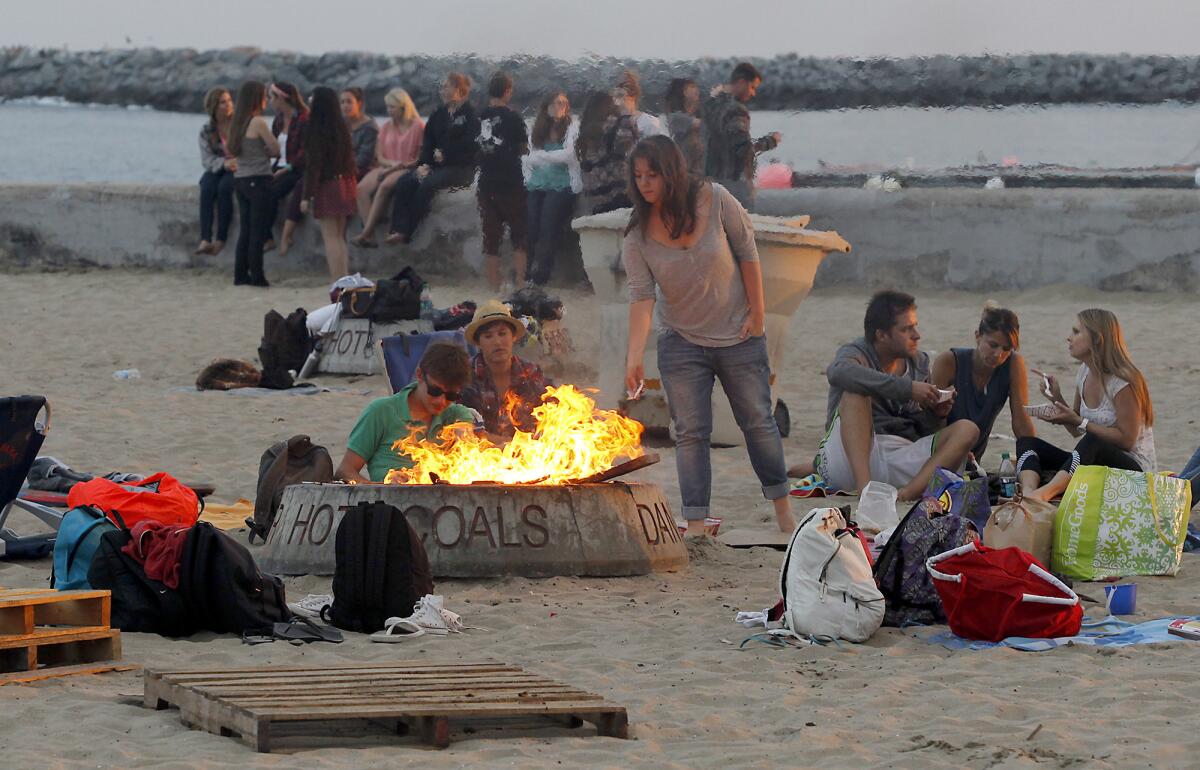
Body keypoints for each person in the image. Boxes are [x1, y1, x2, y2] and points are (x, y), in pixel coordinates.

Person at [622, 136, 794, 536]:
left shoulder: (714, 198)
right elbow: (641, 296)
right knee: (690, 434)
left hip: (739, 333)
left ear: (672, 172)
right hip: (681, 341)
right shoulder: (637, 235)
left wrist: (758, 315)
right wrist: (634, 357)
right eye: (638, 177)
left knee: (757, 421)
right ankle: (697, 524)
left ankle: (784, 511)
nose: (646, 184)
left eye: (653, 174)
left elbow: (748, 251)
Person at [811, 290, 979, 501]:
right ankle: (866, 493)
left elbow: (920, 432)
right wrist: (907, 388)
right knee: (855, 393)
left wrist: (935, 415)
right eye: (906, 329)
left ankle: (907, 494)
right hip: (851, 459)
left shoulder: (919, 363)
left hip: (899, 457)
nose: (916, 335)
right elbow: (839, 371)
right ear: (882, 335)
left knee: (967, 429)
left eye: (915, 326)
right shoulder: (857, 353)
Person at [1016, 309, 1157, 501]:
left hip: (1134, 474)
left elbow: (1127, 440)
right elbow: (1076, 429)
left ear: (1097, 339)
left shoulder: (1124, 381)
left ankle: (1044, 494)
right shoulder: (1084, 372)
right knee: (1027, 442)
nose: (1069, 338)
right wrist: (1056, 398)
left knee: (1093, 441)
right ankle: (1028, 494)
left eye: (1076, 332)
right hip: (1096, 461)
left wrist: (1080, 421)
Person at [336, 343, 481, 483]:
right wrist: (382, 487)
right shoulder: (381, 412)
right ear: (419, 375)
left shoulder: (456, 415)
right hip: (390, 502)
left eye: (451, 396)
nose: (441, 401)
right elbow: (345, 472)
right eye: (435, 391)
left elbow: (472, 453)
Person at [931, 303, 1036, 461]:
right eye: (993, 345)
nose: (998, 354)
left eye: (1006, 348)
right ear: (977, 336)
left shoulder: (1013, 363)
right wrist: (953, 450)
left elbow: (1022, 423)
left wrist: (1031, 457)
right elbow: (932, 423)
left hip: (974, 461)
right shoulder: (949, 362)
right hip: (939, 455)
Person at [386, 72, 479, 245]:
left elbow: (472, 146)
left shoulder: (472, 116)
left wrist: (448, 154)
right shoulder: (439, 114)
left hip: (461, 169)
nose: (442, 91)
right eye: (442, 87)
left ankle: (407, 230)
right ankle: (397, 229)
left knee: (428, 184)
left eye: (446, 87)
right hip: (437, 167)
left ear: (459, 90)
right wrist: (424, 164)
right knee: (405, 181)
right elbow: (428, 142)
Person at [459, 299, 552, 439]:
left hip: (529, 453)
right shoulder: (465, 375)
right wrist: (506, 445)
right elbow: (464, 428)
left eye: (502, 334)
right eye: (488, 336)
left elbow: (551, 411)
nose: (497, 342)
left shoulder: (530, 372)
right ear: (478, 342)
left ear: (513, 337)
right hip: (479, 454)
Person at [476, 71, 530, 290]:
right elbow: (524, 148)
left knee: (491, 238)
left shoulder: (478, 117)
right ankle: (519, 282)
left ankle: (494, 285)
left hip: (486, 183)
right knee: (519, 235)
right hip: (511, 183)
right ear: (507, 92)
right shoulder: (514, 118)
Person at [703, 61, 781, 211]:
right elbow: (743, 149)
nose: (753, 93)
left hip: (711, 180)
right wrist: (770, 141)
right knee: (742, 227)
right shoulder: (736, 111)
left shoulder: (710, 105)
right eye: (752, 87)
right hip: (734, 181)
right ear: (741, 82)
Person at [353, 88, 424, 247]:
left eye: (392, 107)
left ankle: (365, 233)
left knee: (384, 186)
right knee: (360, 189)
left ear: (403, 107)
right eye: (388, 107)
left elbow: (420, 157)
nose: (388, 111)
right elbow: (379, 156)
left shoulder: (418, 126)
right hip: (386, 166)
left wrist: (399, 166)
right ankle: (369, 233)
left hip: (406, 167)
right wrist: (391, 165)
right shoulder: (386, 126)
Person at [300, 87, 358, 280]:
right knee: (340, 237)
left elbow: (313, 166)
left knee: (330, 238)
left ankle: (337, 282)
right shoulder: (341, 127)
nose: (309, 99)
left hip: (329, 186)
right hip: (346, 183)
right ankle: (345, 279)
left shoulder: (315, 129)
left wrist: (306, 196)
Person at [524, 90, 581, 285]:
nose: (560, 107)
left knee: (548, 227)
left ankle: (541, 276)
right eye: (556, 103)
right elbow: (529, 157)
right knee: (531, 227)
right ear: (547, 106)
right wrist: (543, 157)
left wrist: (543, 156)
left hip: (562, 184)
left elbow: (569, 155)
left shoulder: (572, 127)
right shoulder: (537, 128)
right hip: (537, 183)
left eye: (563, 104)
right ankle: (526, 272)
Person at [226, 80, 280, 287]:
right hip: (259, 179)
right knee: (258, 231)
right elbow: (275, 150)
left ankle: (240, 275)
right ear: (257, 99)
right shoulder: (258, 122)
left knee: (245, 231)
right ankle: (257, 276)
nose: (267, 99)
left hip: (241, 180)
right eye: (264, 96)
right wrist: (265, 151)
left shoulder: (236, 123)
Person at [576, 91, 638, 215]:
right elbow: (627, 141)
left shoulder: (585, 129)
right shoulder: (615, 123)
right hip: (615, 189)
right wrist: (625, 111)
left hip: (592, 192)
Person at [267, 82, 309, 257]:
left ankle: (280, 237)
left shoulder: (304, 118)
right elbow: (272, 146)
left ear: (281, 98)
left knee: (271, 192)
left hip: (296, 169)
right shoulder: (278, 119)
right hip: (278, 166)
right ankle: (266, 237)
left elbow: (305, 151)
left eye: (271, 97)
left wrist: (286, 169)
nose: (269, 101)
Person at [196, 87, 236, 257]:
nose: (227, 105)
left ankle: (220, 240)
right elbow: (207, 160)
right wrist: (224, 164)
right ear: (214, 106)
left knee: (224, 189)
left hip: (238, 167)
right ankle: (205, 238)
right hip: (217, 166)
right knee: (206, 188)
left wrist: (235, 163)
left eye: (229, 101)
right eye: (222, 102)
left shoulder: (240, 124)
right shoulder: (206, 129)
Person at [663, 78, 704, 176]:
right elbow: (703, 125)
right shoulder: (676, 117)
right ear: (684, 92)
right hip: (686, 173)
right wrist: (714, 98)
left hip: (700, 172)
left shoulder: (698, 114)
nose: (697, 90)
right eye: (692, 87)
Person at [340, 87, 378, 181]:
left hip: (362, 170)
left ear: (359, 104)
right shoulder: (341, 124)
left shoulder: (369, 127)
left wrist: (340, 166)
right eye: (342, 102)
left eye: (349, 102)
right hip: (342, 167)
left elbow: (364, 159)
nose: (345, 106)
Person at [614, 70, 665, 138]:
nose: (616, 102)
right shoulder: (610, 123)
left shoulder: (649, 123)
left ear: (633, 97)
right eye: (613, 97)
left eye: (620, 96)